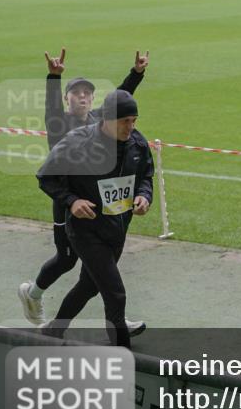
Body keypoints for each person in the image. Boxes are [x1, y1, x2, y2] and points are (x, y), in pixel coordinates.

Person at [18, 48, 149, 330]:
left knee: (98, 266)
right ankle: (32, 293)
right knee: (67, 259)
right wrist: (54, 79)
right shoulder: (59, 123)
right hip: (68, 200)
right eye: (75, 93)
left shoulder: (99, 120)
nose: (82, 96)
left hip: (98, 202)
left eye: (87, 93)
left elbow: (122, 99)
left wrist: (136, 73)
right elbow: (51, 108)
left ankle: (115, 316)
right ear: (67, 99)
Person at [37, 90, 153, 347]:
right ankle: (122, 354)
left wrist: (145, 196)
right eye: (125, 121)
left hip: (117, 229)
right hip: (85, 231)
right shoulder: (77, 142)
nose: (131, 127)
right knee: (115, 294)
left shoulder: (137, 143)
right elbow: (46, 177)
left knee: (89, 286)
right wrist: (72, 201)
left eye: (134, 120)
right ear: (107, 119)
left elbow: (146, 175)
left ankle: (54, 331)